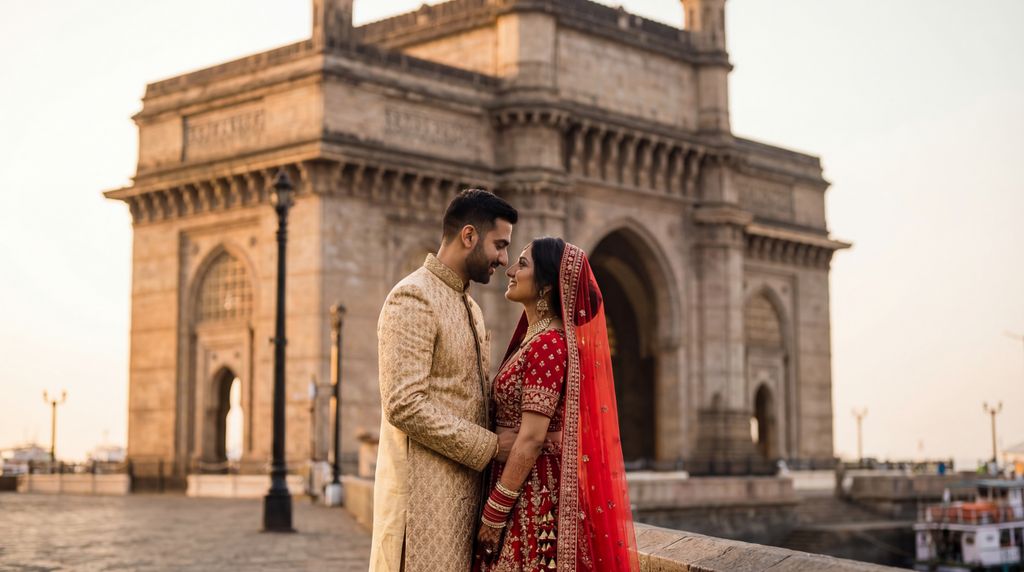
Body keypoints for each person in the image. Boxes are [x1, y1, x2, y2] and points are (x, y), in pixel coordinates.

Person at [370, 189, 520, 572]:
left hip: (463, 505)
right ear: (468, 236)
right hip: (421, 510)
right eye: (499, 245)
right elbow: (404, 404)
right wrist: (490, 447)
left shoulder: (470, 307)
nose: (504, 260)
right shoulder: (413, 297)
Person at [473, 238, 640, 572]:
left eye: (522, 264)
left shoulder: (549, 344)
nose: (510, 270)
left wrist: (497, 508)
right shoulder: (534, 340)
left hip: (535, 500)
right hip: (522, 488)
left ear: (546, 286)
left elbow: (533, 437)